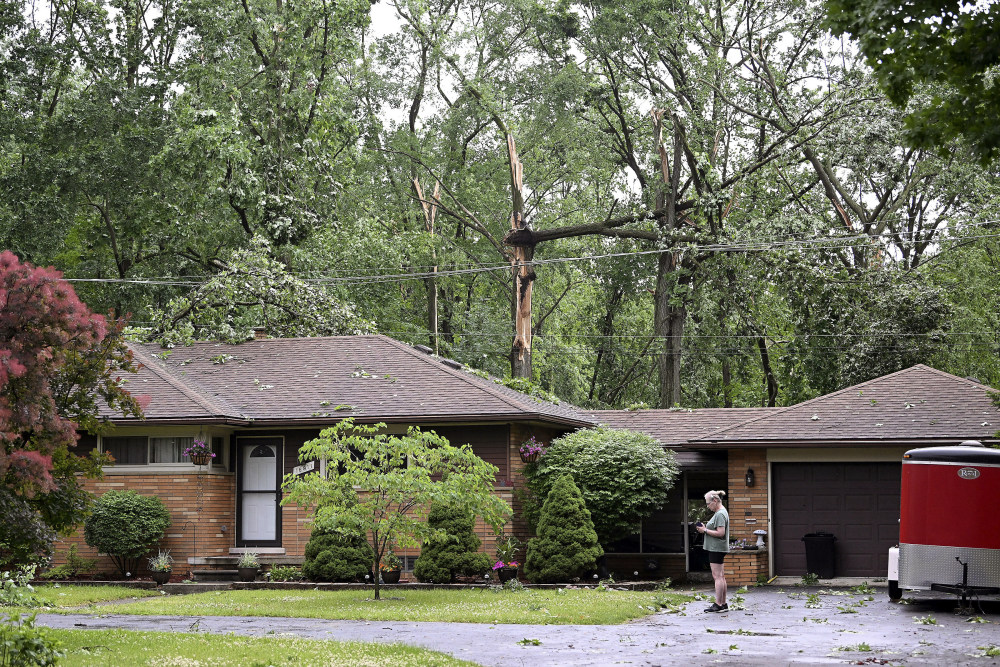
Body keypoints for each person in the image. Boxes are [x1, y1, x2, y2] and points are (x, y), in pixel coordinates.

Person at [696, 489, 729, 613]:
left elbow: (721, 533)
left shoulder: (720, 514)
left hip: (716, 548)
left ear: (715, 500)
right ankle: (723, 604)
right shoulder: (722, 512)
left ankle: (718, 604)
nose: (708, 506)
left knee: (717, 576)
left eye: (708, 503)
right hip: (718, 548)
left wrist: (704, 530)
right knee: (721, 576)